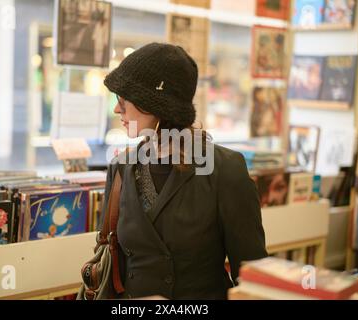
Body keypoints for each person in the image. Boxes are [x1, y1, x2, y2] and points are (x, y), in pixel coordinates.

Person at [101, 42, 267, 299]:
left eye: (125, 99)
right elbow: (115, 262)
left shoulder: (224, 170)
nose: (117, 109)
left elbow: (251, 274)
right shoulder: (121, 168)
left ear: (156, 104)